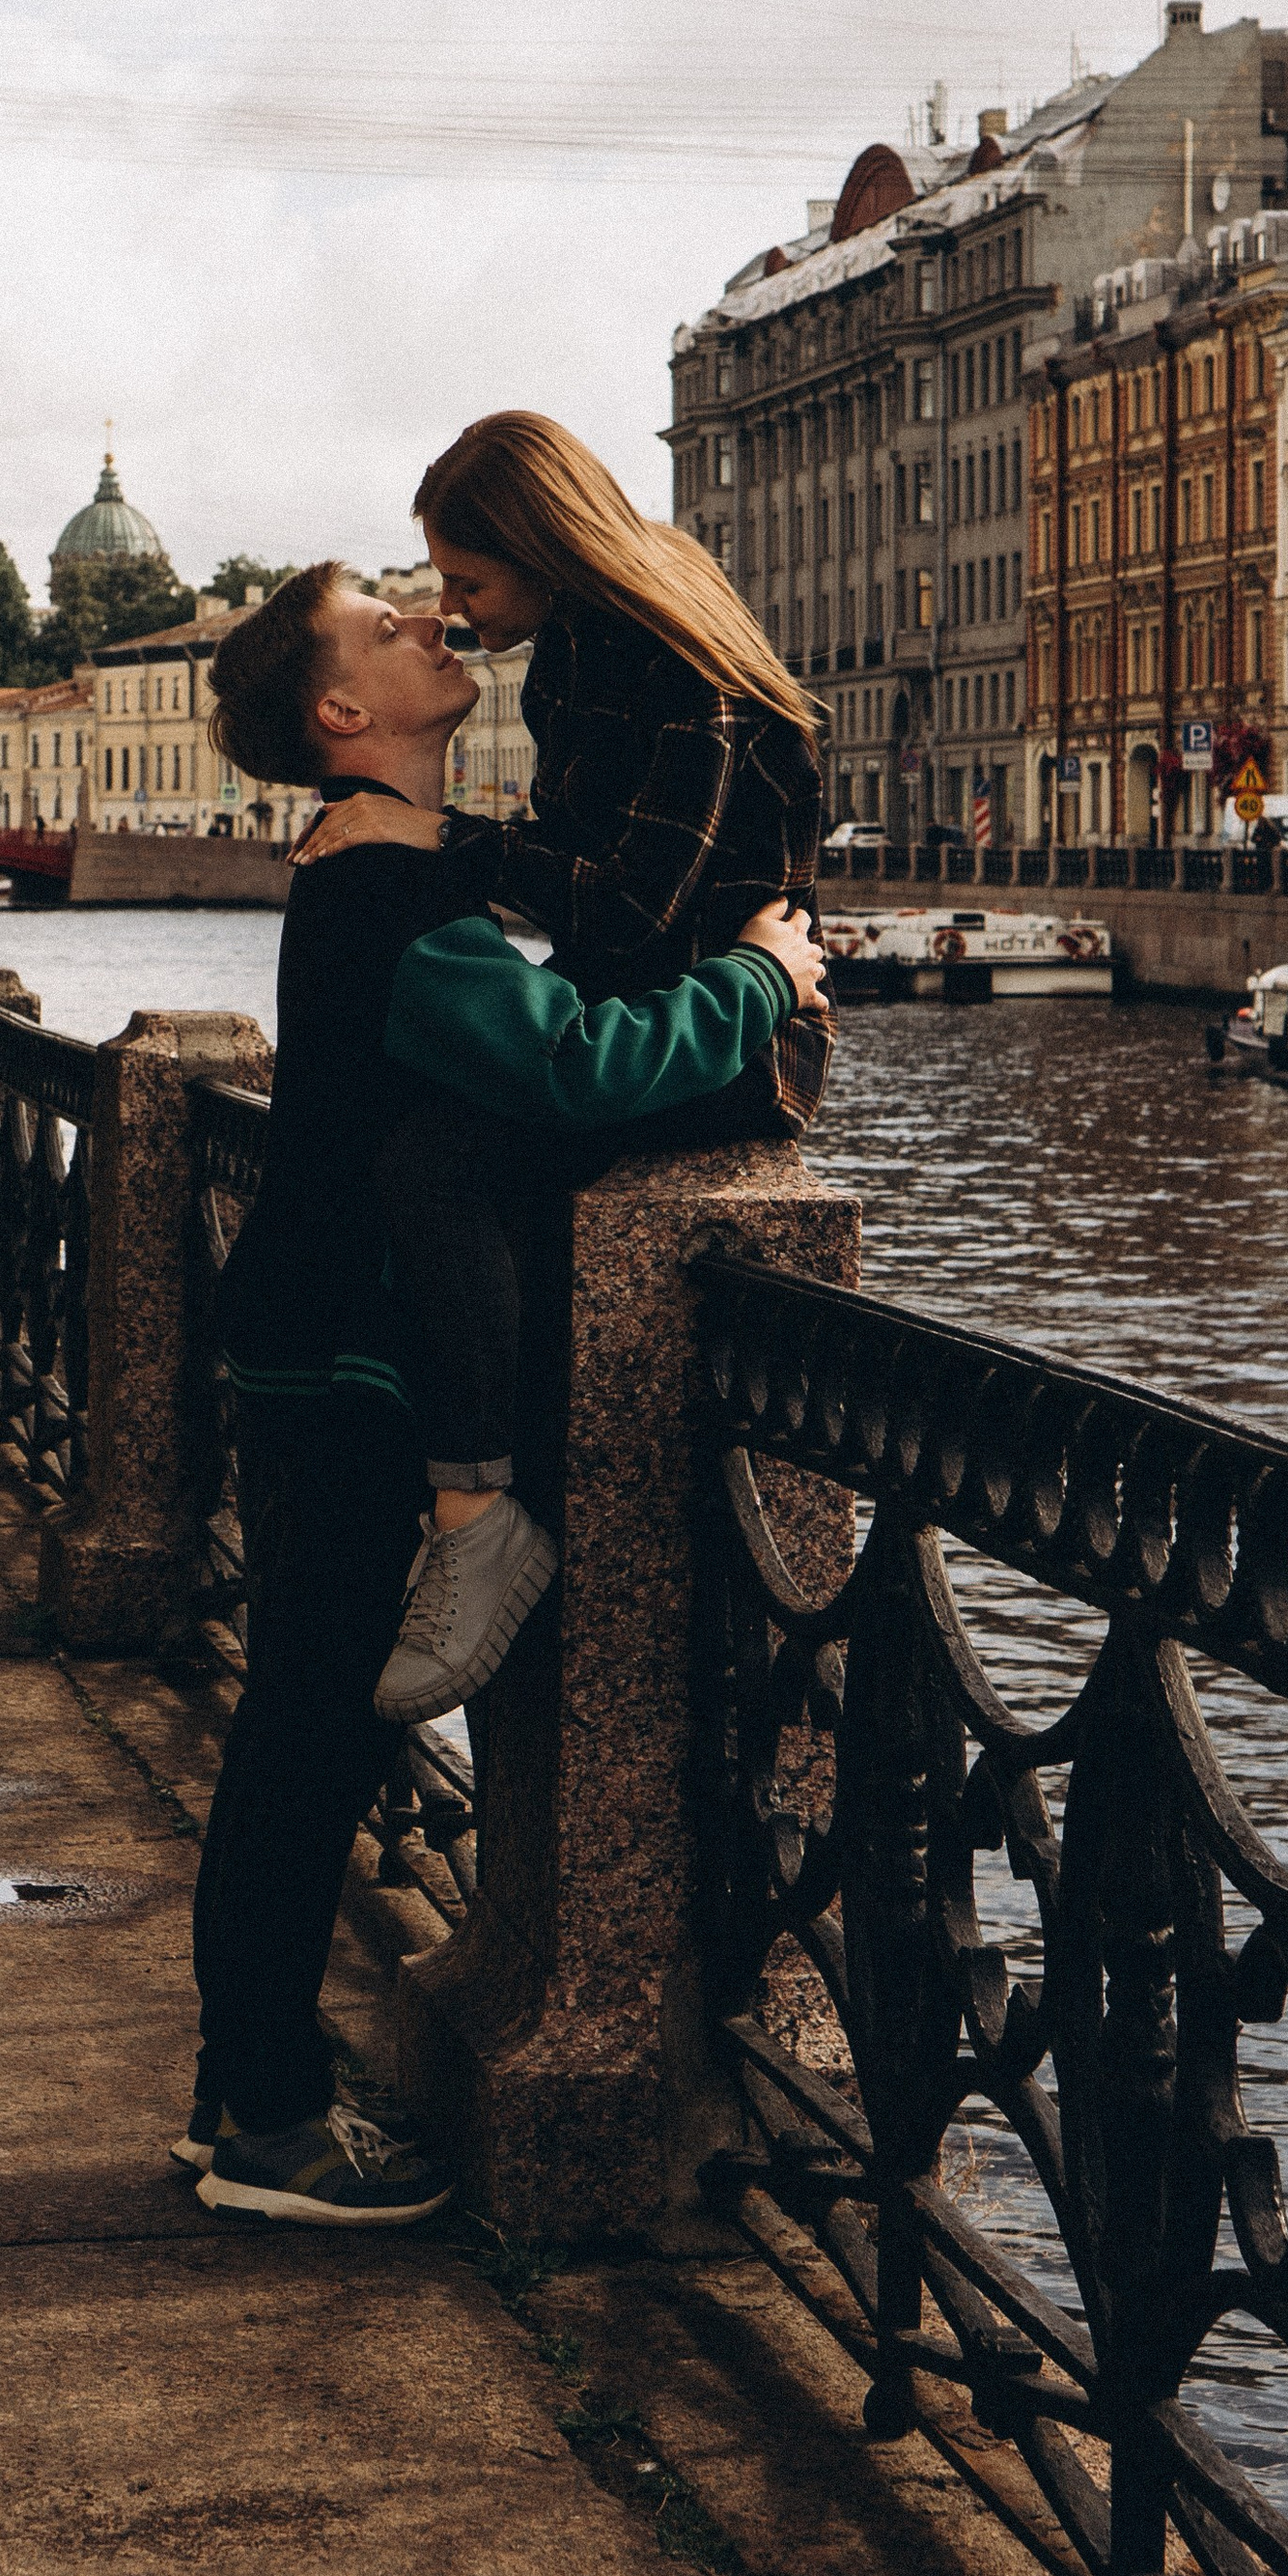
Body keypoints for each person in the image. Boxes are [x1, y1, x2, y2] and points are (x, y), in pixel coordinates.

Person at [183, 562, 826, 2230]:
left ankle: (241, 2093)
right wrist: (760, 977)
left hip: (316, 1338)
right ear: (341, 716)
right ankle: (264, 2122)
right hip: (342, 1356)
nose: (423, 618)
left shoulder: (384, 865)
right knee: (308, 1738)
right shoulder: (390, 896)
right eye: (380, 621)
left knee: (296, 1731)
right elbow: (571, 1065)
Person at [293, 411, 829, 1721]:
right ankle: (473, 1494)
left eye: (468, 583)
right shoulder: (581, 642)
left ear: (539, 550)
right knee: (443, 1131)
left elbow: (634, 912)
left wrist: (439, 844)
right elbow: (580, 867)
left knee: (439, 1152)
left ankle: (478, 1512)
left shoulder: (670, 657)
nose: (456, 612)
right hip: (648, 1016)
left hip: (736, 1038)